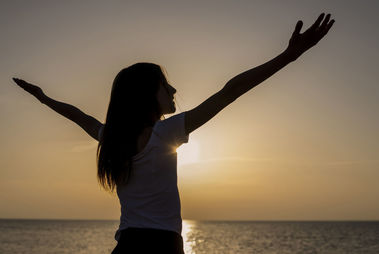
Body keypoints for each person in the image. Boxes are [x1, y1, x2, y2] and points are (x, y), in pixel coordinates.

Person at [13, 13, 334, 254]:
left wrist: (43, 98)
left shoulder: (111, 137)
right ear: (147, 93)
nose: (174, 89)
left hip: (126, 245)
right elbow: (230, 91)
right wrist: (288, 56)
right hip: (163, 246)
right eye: (166, 86)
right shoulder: (165, 133)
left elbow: (78, 115)